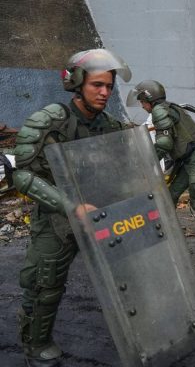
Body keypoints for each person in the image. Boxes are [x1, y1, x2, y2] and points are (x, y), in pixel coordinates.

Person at [12, 49, 132, 366]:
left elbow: (126, 165)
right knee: (44, 284)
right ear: (77, 83)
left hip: (102, 212)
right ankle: (35, 344)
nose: (105, 92)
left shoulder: (110, 125)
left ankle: (143, 334)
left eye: (109, 86)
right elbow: (22, 175)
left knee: (132, 272)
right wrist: (71, 206)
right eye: (97, 85)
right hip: (57, 217)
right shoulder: (49, 121)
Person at [128, 80, 195, 233]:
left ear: (149, 99)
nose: (142, 106)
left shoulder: (159, 110)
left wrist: (146, 162)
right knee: (170, 198)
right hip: (191, 159)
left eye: (142, 101)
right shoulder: (168, 107)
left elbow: (164, 144)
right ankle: (163, 234)